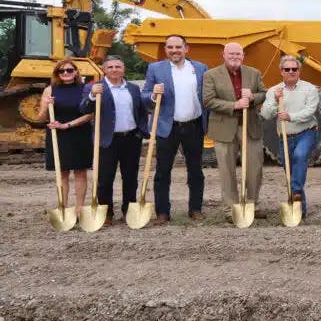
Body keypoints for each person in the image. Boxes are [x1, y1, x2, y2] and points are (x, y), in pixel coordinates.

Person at [142, 34, 209, 225]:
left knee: (196, 171)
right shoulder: (155, 68)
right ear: (165, 49)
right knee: (163, 171)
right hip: (167, 127)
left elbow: (208, 95)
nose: (174, 51)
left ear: (186, 49)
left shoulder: (200, 68)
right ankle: (162, 212)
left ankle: (195, 209)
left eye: (178, 47)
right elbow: (144, 95)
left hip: (194, 125)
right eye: (170, 47)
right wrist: (154, 95)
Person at [80, 56, 148, 225]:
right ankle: (106, 212)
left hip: (131, 139)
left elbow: (141, 111)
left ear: (123, 69)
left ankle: (129, 211)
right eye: (110, 67)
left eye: (118, 66)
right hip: (107, 140)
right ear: (104, 69)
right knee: (104, 179)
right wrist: (93, 96)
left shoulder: (132, 88)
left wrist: (141, 131)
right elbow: (84, 108)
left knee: (131, 178)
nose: (114, 69)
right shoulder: (95, 88)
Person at [203, 42, 267, 220]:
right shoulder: (211, 75)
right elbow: (208, 101)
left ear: (243, 56)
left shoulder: (254, 73)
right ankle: (231, 209)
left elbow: (264, 93)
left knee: (255, 169)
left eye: (238, 54)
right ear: (223, 55)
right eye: (231, 53)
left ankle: (252, 205)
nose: (234, 57)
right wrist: (234, 105)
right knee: (227, 170)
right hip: (224, 127)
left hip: (250, 126)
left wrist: (253, 97)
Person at [261, 55, 320, 219]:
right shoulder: (274, 91)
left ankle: (294, 191)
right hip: (285, 136)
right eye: (287, 69)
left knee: (300, 156)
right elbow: (265, 114)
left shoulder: (309, 89)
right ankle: (300, 211)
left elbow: (311, 111)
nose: (291, 72)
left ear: (299, 71)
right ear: (281, 71)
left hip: (306, 132)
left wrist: (290, 116)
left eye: (294, 69)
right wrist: (274, 100)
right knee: (291, 172)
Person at [37, 59, 93, 216]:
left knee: (80, 172)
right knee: (62, 173)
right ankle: (63, 207)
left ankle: (79, 208)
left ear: (76, 72)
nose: (66, 73)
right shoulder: (49, 90)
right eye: (61, 71)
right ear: (57, 74)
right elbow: (40, 118)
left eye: (69, 70)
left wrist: (67, 125)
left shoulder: (85, 89)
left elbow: (89, 114)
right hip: (58, 136)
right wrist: (48, 106)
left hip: (79, 133)